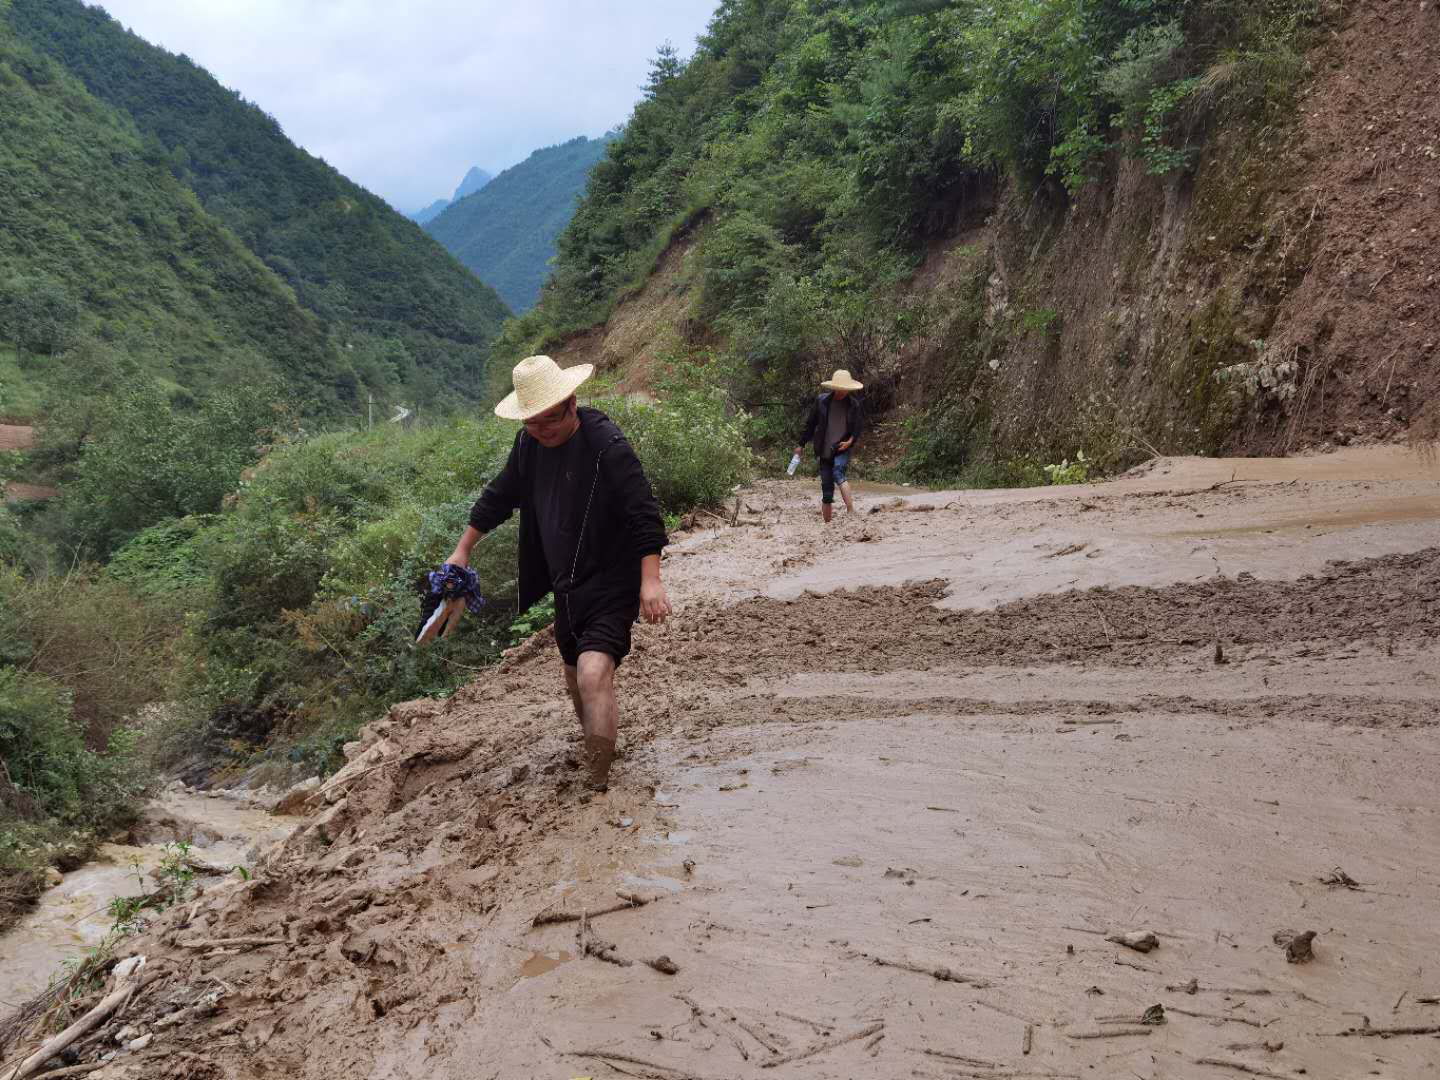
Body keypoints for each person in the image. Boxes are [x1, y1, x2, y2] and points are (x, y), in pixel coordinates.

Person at [445, 355, 671, 792]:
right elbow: (499, 496)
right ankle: (598, 743)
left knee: (592, 672)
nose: (541, 431)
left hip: (613, 576)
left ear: (571, 403)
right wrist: (462, 551)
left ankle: (598, 780)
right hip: (565, 581)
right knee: (574, 675)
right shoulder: (528, 445)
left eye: (549, 421)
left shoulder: (607, 446)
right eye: (531, 423)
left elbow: (643, 513)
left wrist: (651, 579)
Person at [793, 369, 864, 522]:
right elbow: (810, 424)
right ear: (834, 387)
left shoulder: (854, 405)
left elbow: (857, 428)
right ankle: (827, 525)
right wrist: (801, 444)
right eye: (839, 389)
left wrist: (850, 442)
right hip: (824, 450)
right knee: (826, 491)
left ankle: (851, 511)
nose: (842, 392)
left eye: (844, 389)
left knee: (838, 473)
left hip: (841, 448)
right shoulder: (822, 401)